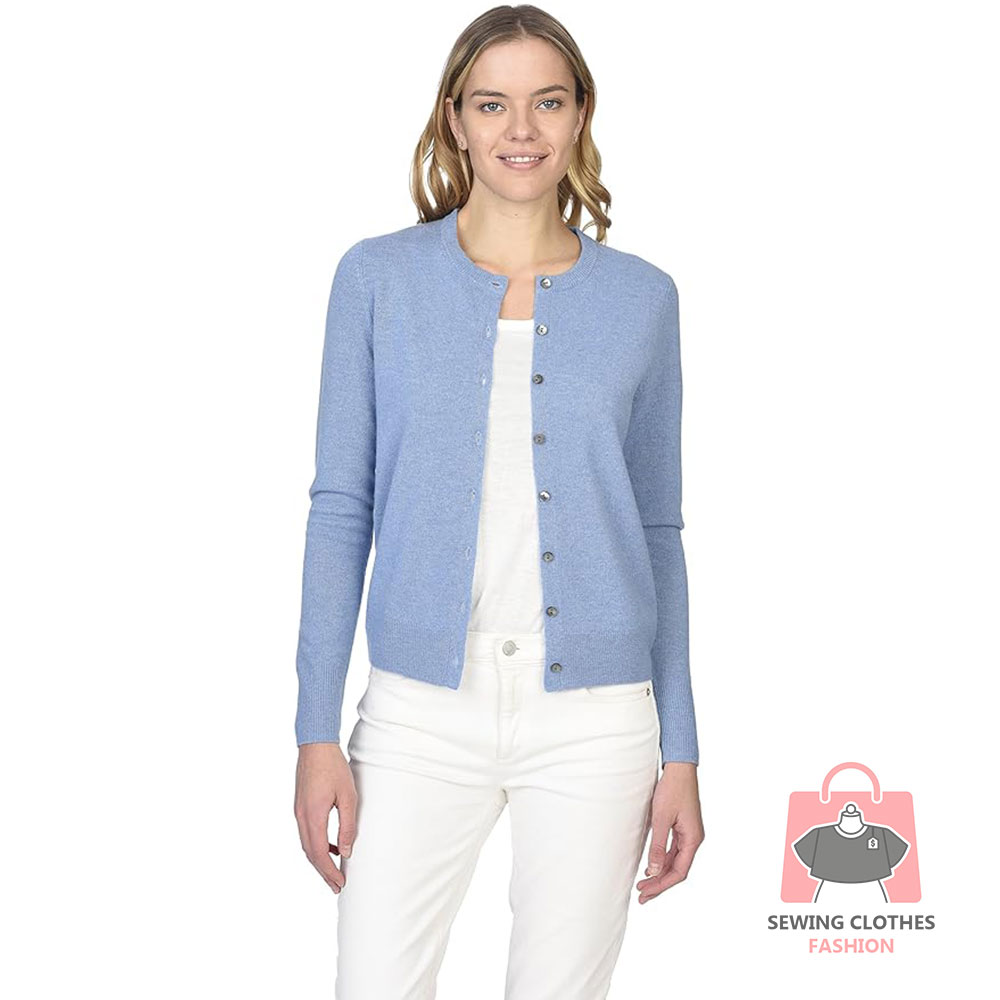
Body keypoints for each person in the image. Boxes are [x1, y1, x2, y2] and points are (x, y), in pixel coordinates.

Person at [293, 5, 705, 997]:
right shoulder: (377, 279)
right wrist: (315, 731)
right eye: (492, 104)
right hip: (418, 712)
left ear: (579, 115)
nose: (521, 129)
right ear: (455, 118)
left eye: (546, 102)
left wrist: (682, 751)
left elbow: (657, 528)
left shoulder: (643, 298)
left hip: (598, 720)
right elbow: (341, 505)